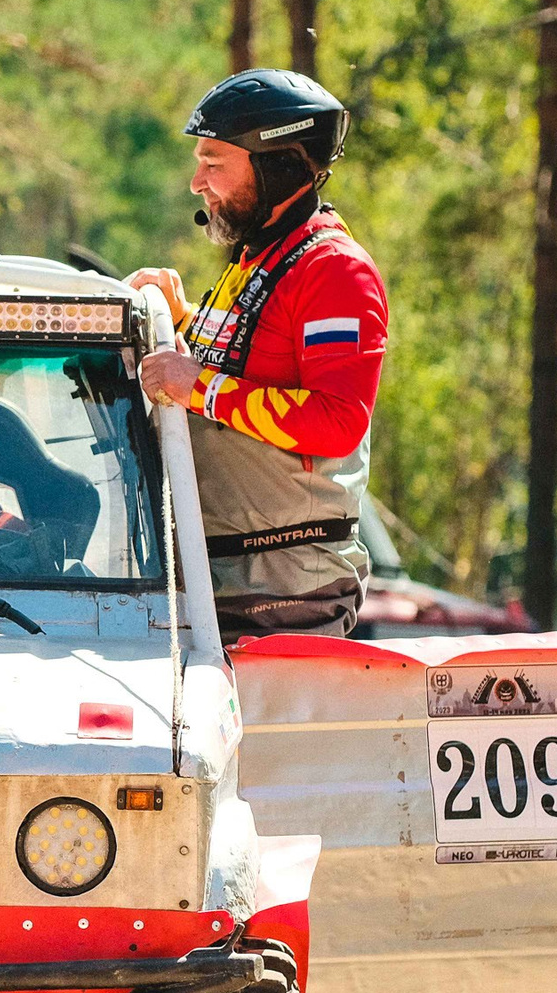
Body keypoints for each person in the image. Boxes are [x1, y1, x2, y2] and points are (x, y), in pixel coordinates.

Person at [127, 69, 389, 640]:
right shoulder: (261, 258)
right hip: (223, 574)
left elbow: (337, 421)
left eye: (214, 162)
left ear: (278, 165)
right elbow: (246, 362)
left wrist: (196, 386)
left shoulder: (334, 271)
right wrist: (179, 320)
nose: (198, 182)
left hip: (283, 586)